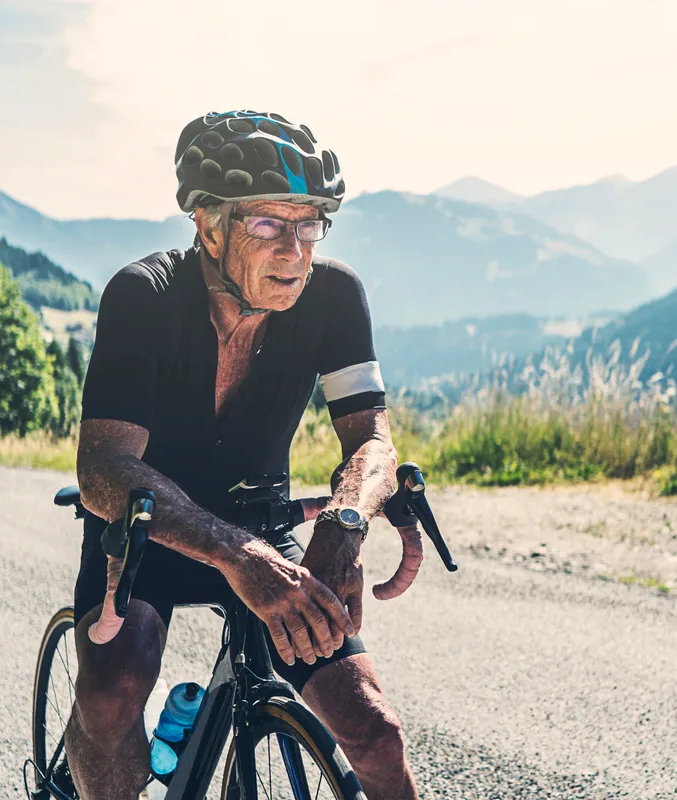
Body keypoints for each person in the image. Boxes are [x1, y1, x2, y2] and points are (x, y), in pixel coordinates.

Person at [66, 110, 424, 800]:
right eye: (269, 225)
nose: (295, 250)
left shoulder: (335, 297)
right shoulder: (144, 296)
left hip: (262, 525)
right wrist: (237, 556)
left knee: (375, 732)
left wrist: (345, 523)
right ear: (207, 222)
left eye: (309, 225)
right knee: (111, 697)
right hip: (149, 530)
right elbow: (104, 467)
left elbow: (373, 441)